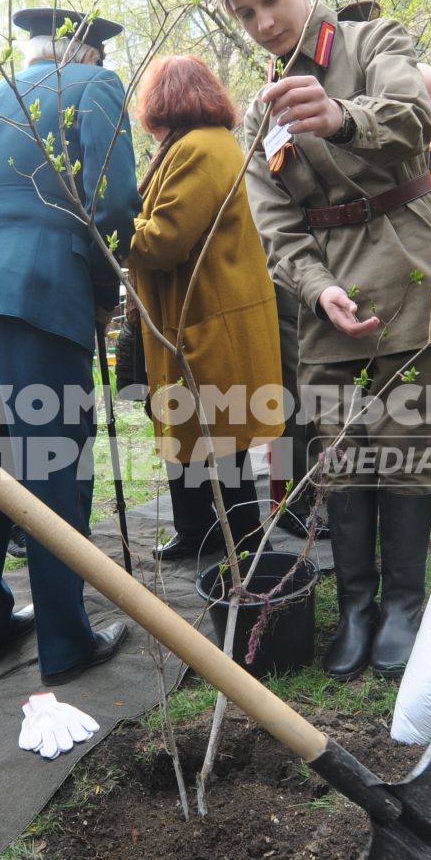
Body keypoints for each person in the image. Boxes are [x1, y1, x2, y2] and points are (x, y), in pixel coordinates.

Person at [217, 0, 431, 680]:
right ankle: (357, 606)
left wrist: (343, 118)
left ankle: (403, 603)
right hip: (332, 294)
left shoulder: (374, 43)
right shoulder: (260, 112)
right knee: (340, 454)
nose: (263, 22)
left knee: (404, 445)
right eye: (245, 13)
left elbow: (414, 121)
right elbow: (275, 224)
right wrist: (318, 288)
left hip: (413, 263)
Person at [0, 7, 138, 684]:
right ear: (88, 53)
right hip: (38, 286)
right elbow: (112, 204)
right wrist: (103, 287)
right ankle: (65, 641)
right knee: (53, 458)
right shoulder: (95, 86)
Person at [126, 55, 284, 560]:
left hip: (208, 319)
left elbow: (163, 240)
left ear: (163, 103)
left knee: (221, 438)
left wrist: (108, 229)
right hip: (197, 316)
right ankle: (198, 531)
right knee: (194, 433)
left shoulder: (198, 148)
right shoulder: (201, 143)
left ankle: (242, 542)